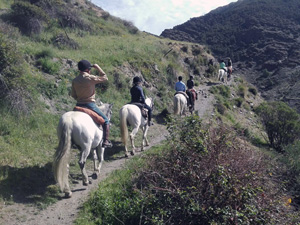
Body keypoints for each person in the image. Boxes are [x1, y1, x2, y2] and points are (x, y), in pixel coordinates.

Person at [71, 59, 112, 148]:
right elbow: (105, 78)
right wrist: (98, 68)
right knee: (106, 121)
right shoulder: (90, 78)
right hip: (90, 105)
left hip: (78, 105)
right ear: (88, 70)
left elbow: (73, 95)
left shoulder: (75, 80)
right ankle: (105, 141)